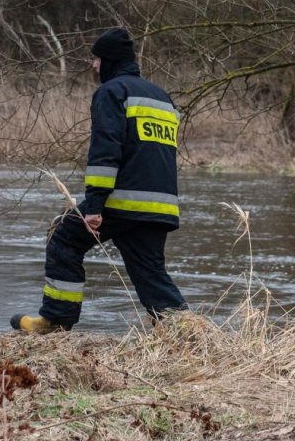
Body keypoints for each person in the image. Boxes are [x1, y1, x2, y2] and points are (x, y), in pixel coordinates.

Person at [11, 28, 188, 333]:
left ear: (109, 60)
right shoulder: (162, 97)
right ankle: (187, 333)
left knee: (63, 239)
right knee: (150, 272)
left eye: (96, 59)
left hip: (122, 201)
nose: (94, 66)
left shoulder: (111, 93)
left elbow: (106, 152)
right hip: (161, 206)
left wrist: (94, 206)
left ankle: (54, 321)